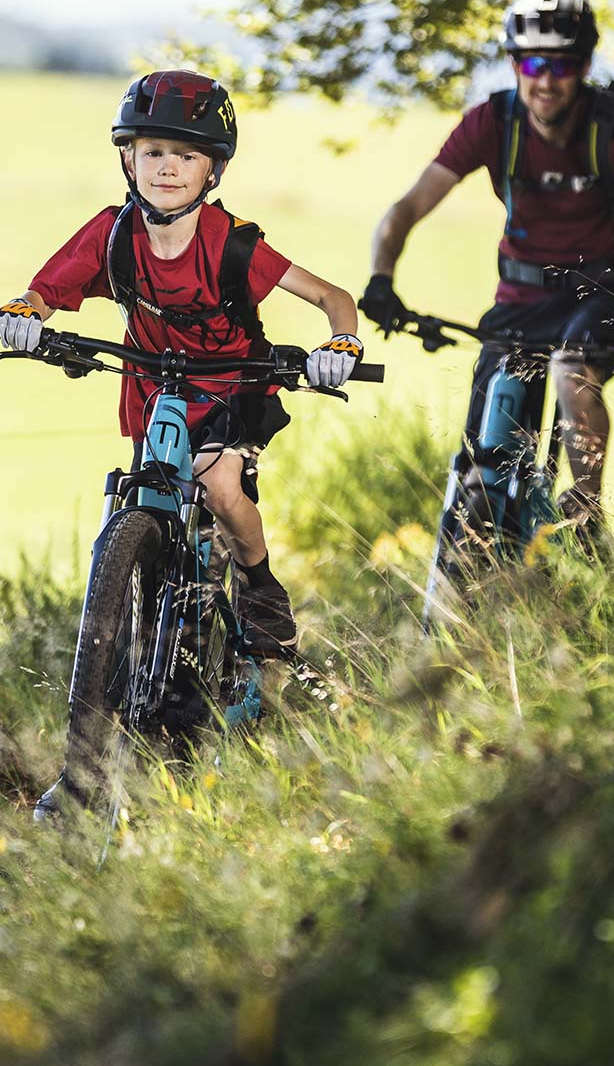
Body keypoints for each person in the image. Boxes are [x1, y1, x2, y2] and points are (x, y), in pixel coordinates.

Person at [0, 70, 363, 654]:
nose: (167, 167)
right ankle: (145, 605)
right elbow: (43, 292)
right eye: (153, 152)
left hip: (233, 388)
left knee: (220, 487)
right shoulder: (111, 234)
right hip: (151, 385)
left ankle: (259, 584)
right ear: (129, 161)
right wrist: (23, 314)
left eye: (186, 155)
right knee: (149, 489)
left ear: (212, 172)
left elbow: (332, 297)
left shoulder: (232, 244)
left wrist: (342, 344)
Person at [360, 0, 614, 539]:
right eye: (533, 63)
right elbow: (407, 208)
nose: (546, 80)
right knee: (483, 452)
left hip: (604, 291)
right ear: (515, 64)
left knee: (570, 367)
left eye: (562, 65)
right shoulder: (494, 122)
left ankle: (585, 517)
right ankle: (475, 570)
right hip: (520, 298)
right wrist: (380, 280)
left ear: (584, 66)